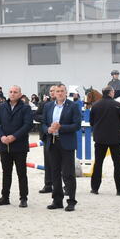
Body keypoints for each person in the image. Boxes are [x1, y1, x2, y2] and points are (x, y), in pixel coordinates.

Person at [0, 85, 33, 207]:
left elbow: (27, 125)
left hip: (19, 145)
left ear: (20, 94)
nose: (12, 94)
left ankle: (23, 198)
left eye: (15, 92)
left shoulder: (25, 108)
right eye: (10, 92)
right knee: (6, 172)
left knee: (21, 173)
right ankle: (5, 197)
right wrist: (1, 136)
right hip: (4, 145)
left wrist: (14, 136)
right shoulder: (2, 107)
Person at [43, 83, 80, 212]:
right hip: (52, 142)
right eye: (57, 91)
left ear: (65, 92)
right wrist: (48, 129)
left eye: (61, 91)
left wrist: (61, 127)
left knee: (68, 173)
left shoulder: (73, 106)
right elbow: (43, 123)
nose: (59, 93)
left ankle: (71, 201)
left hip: (66, 143)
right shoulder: (48, 106)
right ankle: (57, 200)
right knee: (54, 173)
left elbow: (77, 125)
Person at [89, 87, 120, 196]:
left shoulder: (95, 105)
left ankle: (95, 188)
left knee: (98, 163)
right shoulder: (118, 105)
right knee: (117, 164)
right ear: (111, 93)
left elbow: (91, 122)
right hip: (115, 139)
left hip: (100, 139)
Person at [34, 85, 57, 195]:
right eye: (51, 91)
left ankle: (64, 185)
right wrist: (47, 118)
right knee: (48, 162)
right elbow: (36, 116)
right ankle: (48, 184)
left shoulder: (63, 104)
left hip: (60, 136)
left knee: (62, 162)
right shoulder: (43, 104)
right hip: (46, 136)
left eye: (54, 91)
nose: (52, 93)